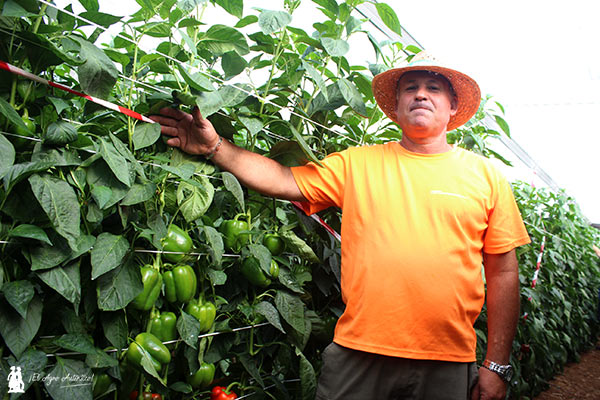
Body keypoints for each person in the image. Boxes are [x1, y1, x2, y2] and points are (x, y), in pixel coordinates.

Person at [150, 52, 531, 400]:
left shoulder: (485, 175)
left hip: (447, 360)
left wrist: (496, 364)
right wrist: (217, 146)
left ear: (452, 107)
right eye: (410, 88)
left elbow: (503, 273)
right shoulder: (357, 163)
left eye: (433, 88)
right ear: (395, 107)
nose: (421, 95)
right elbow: (285, 180)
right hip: (358, 351)